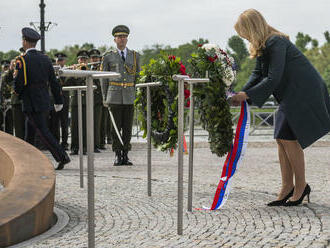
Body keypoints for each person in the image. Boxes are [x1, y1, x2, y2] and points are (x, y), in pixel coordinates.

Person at [232, 9, 330, 206]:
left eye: (245, 33)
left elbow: (273, 78)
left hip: (303, 91)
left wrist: (248, 95)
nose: (245, 38)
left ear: (252, 28)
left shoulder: (276, 42)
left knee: (286, 137)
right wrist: (241, 94)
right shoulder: (264, 45)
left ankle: (300, 187)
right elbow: (258, 73)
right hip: (291, 93)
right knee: (281, 136)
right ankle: (288, 186)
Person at [13, 27, 70, 170]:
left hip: (31, 102)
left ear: (25, 42)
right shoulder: (45, 59)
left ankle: (62, 156)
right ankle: (27, 161)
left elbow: (19, 83)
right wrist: (58, 101)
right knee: (30, 133)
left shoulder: (22, 61)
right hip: (44, 100)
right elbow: (54, 82)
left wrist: (16, 91)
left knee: (43, 132)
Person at [101, 25, 140, 166]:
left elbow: (137, 77)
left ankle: (126, 154)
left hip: (129, 96)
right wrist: (105, 97)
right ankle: (117, 154)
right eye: (119, 37)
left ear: (127, 39)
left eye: (124, 37)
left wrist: (136, 95)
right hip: (114, 96)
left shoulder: (135, 56)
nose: (122, 39)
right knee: (115, 127)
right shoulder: (108, 56)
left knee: (128, 127)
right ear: (114, 39)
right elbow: (103, 79)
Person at [67, 50, 89, 155]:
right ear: (78, 60)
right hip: (75, 101)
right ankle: (74, 147)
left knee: (85, 125)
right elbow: (67, 84)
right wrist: (73, 73)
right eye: (81, 59)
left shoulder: (90, 71)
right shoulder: (73, 71)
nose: (83, 61)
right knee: (74, 125)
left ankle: (84, 147)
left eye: (85, 59)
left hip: (87, 101)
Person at [54, 52, 70, 150]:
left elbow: (67, 83)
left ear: (64, 61)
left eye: (61, 60)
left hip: (64, 99)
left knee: (64, 123)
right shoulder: (51, 70)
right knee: (55, 123)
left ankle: (64, 143)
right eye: (58, 60)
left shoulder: (67, 70)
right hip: (54, 99)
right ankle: (56, 142)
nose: (59, 62)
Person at [89, 48, 103, 153]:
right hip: (87, 98)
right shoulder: (86, 68)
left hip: (98, 99)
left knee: (97, 123)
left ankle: (96, 145)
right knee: (87, 122)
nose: (94, 59)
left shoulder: (102, 68)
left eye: (96, 58)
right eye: (93, 58)